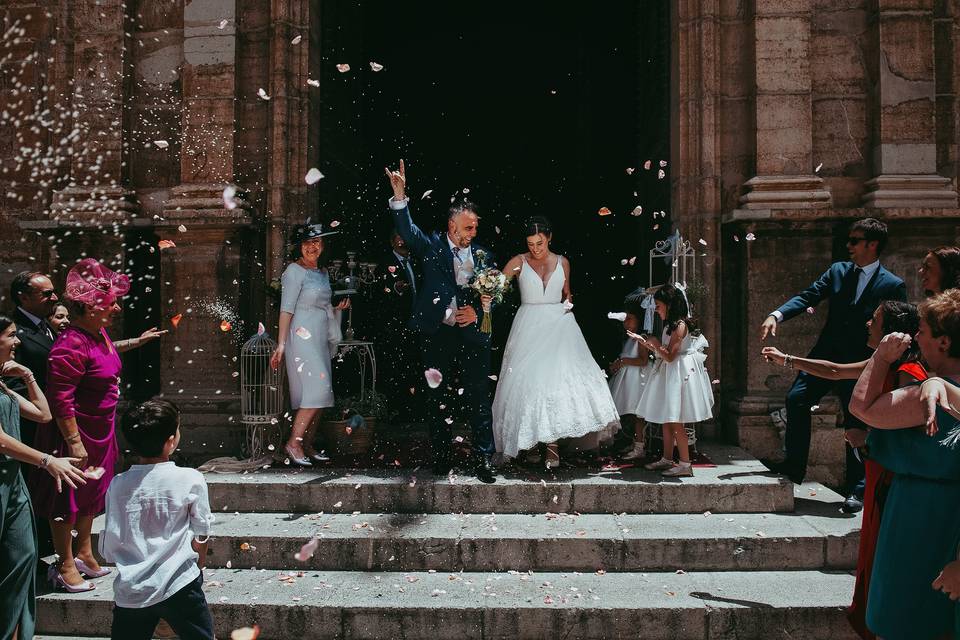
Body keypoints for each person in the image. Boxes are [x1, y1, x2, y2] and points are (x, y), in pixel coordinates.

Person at [762, 300, 926, 640]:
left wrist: (869, 439)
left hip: (894, 478)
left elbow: (909, 429)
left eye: (876, 320)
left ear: (892, 332)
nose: (868, 323)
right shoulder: (882, 362)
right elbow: (835, 370)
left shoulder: (908, 373)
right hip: (879, 469)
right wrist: (788, 360)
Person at [28, 258, 164, 592]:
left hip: (101, 428)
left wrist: (137, 341)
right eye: (111, 303)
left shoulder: (98, 333)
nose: (117, 307)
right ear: (90, 309)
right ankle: (63, 563)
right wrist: (74, 443)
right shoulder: (69, 344)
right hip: (75, 431)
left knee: (92, 492)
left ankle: (85, 553)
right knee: (68, 498)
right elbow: (60, 399)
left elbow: (104, 357)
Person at [759, 218, 907, 513]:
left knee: (856, 421)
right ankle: (793, 467)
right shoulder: (838, 271)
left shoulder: (893, 284)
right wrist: (777, 314)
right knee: (796, 399)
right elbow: (808, 296)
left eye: (855, 240)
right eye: (849, 240)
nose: (848, 246)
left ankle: (857, 488)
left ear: (872, 244)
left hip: (862, 363)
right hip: (825, 354)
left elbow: (897, 326)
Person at [847, 290, 960, 640]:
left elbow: (861, 407)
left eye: (922, 331)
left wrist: (881, 358)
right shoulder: (935, 387)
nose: (916, 337)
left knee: (901, 620)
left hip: (921, 517)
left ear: (943, 342)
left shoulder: (927, 393)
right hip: (938, 512)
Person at [384, 159, 497, 483]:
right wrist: (399, 194)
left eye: (475, 227)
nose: (473, 233)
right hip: (438, 333)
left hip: (474, 334)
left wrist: (480, 309)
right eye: (468, 228)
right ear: (451, 227)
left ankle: (483, 459)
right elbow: (407, 230)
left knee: (478, 397)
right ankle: (443, 457)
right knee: (438, 398)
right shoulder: (431, 246)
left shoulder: (484, 255)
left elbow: (499, 295)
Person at [491, 216, 620, 469]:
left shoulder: (564, 263)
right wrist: (486, 292)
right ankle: (529, 445)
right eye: (530, 244)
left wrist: (568, 304)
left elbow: (567, 294)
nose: (535, 249)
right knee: (529, 385)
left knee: (556, 385)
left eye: (540, 243)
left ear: (549, 238)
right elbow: (495, 289)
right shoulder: (518, 262)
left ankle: (552, 447)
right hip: (528, 325)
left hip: (559, 326)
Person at [0, 314, 87, 640]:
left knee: (22, 556)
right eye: (10, 336)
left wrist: (28, 374)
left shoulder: (3, 383)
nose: (18, 341)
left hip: (13, 483)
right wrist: (47, 460)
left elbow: (43, 413)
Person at [99, 398, 215, 640]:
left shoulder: (118, 484)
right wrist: (198, 566)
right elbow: (201, 532)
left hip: (132, 589)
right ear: (171, 441)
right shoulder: (190, 478)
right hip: (180, 583)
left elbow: (110, 543)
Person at [269, 223, 350, 466]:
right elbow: (286, 309)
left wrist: (337, 309)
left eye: (316, 242)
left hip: (319, 336)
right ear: (299, 247)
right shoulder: (294, 271)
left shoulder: (323, 272)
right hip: (301, 336)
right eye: (307, 243)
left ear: (323, 245)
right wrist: (281, 344)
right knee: (317, 390)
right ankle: (293, 443)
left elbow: (322, 305)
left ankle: (307, 443)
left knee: (322, 396)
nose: (312, 247)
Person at [632, 284, 713, 477]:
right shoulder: (670, 326)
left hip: (678, 373)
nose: (657, 309)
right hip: (670, 372)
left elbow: (669, 356)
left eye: (659, 305)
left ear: (669, 304)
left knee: (676, 420)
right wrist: (648, 344)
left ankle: (685, 464)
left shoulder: (680, 326)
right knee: (668, 419)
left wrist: (653, 344)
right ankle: (667, 458)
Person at [4, 271, 60, 450]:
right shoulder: (15, 333)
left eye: (53, 292)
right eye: (46, 294)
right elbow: (12, 381)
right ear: (24, 297)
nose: (55, 298)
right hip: (33, 428)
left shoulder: (46, 325)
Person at [376, 228, 423, 423]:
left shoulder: (417, 261)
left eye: (404, 236)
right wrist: (395, 288)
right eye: (398, 236)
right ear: (391, 241)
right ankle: (397, 411)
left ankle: (415, 409)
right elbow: (380, 290)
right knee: (397, 367)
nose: (402, 240)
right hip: (396, 323)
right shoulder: (385, 263)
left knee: (415, 365)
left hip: (416, 322)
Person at [608, 301, 652, 461]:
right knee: (632, 415)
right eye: (625, 319)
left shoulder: (641, 339)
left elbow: (643, 361)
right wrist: (618, 363)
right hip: (628, 380)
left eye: (630, 319)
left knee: (638, 414)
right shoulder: (629, 339)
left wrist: (624, 361)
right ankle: (636, 442)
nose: (626, 322)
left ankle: (640, 447)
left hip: (638, 381)